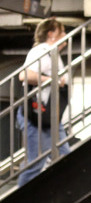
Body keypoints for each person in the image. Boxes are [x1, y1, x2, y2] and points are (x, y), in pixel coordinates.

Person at [16, 17, 71, 187]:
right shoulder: (42, 50)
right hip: (37, 116)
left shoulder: (52, 52)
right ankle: (19, 202)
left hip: (50, 117)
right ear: (51, 34)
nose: (65, 36)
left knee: (65, 155)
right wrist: (51, 79)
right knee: (35, 163)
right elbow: (24, 75)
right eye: (62, 32)